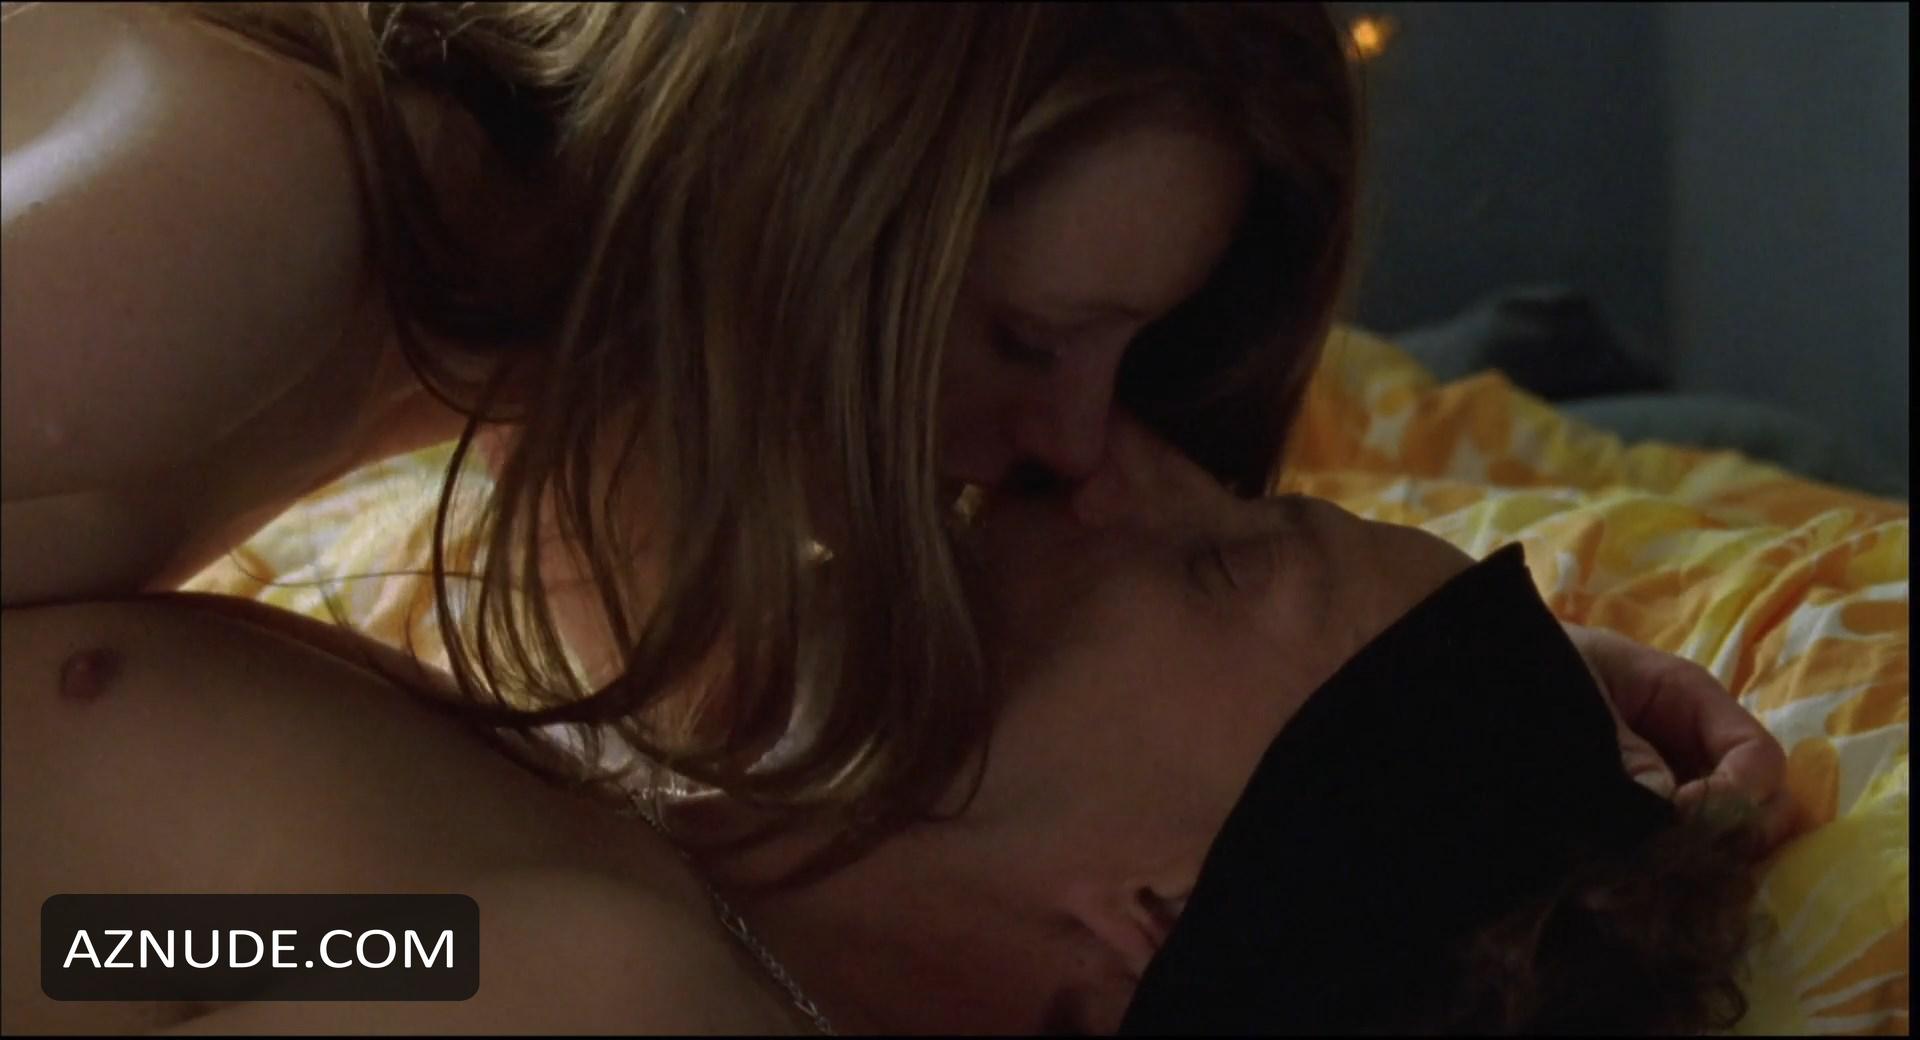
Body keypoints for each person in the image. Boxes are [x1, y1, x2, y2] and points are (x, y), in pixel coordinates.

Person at [2, 2, 1787, 884]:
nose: (1077, 446)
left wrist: (1469, 705)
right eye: (1022, 338)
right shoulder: (231, 226)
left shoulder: (611, 416)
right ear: (815, 201)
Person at [0, 422, 1765, 1034]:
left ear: (1158, 913)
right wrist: (1563, 713)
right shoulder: (644, 866)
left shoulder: (600, 993)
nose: (1109, 460)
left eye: (1221, 566)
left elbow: (107, 948)